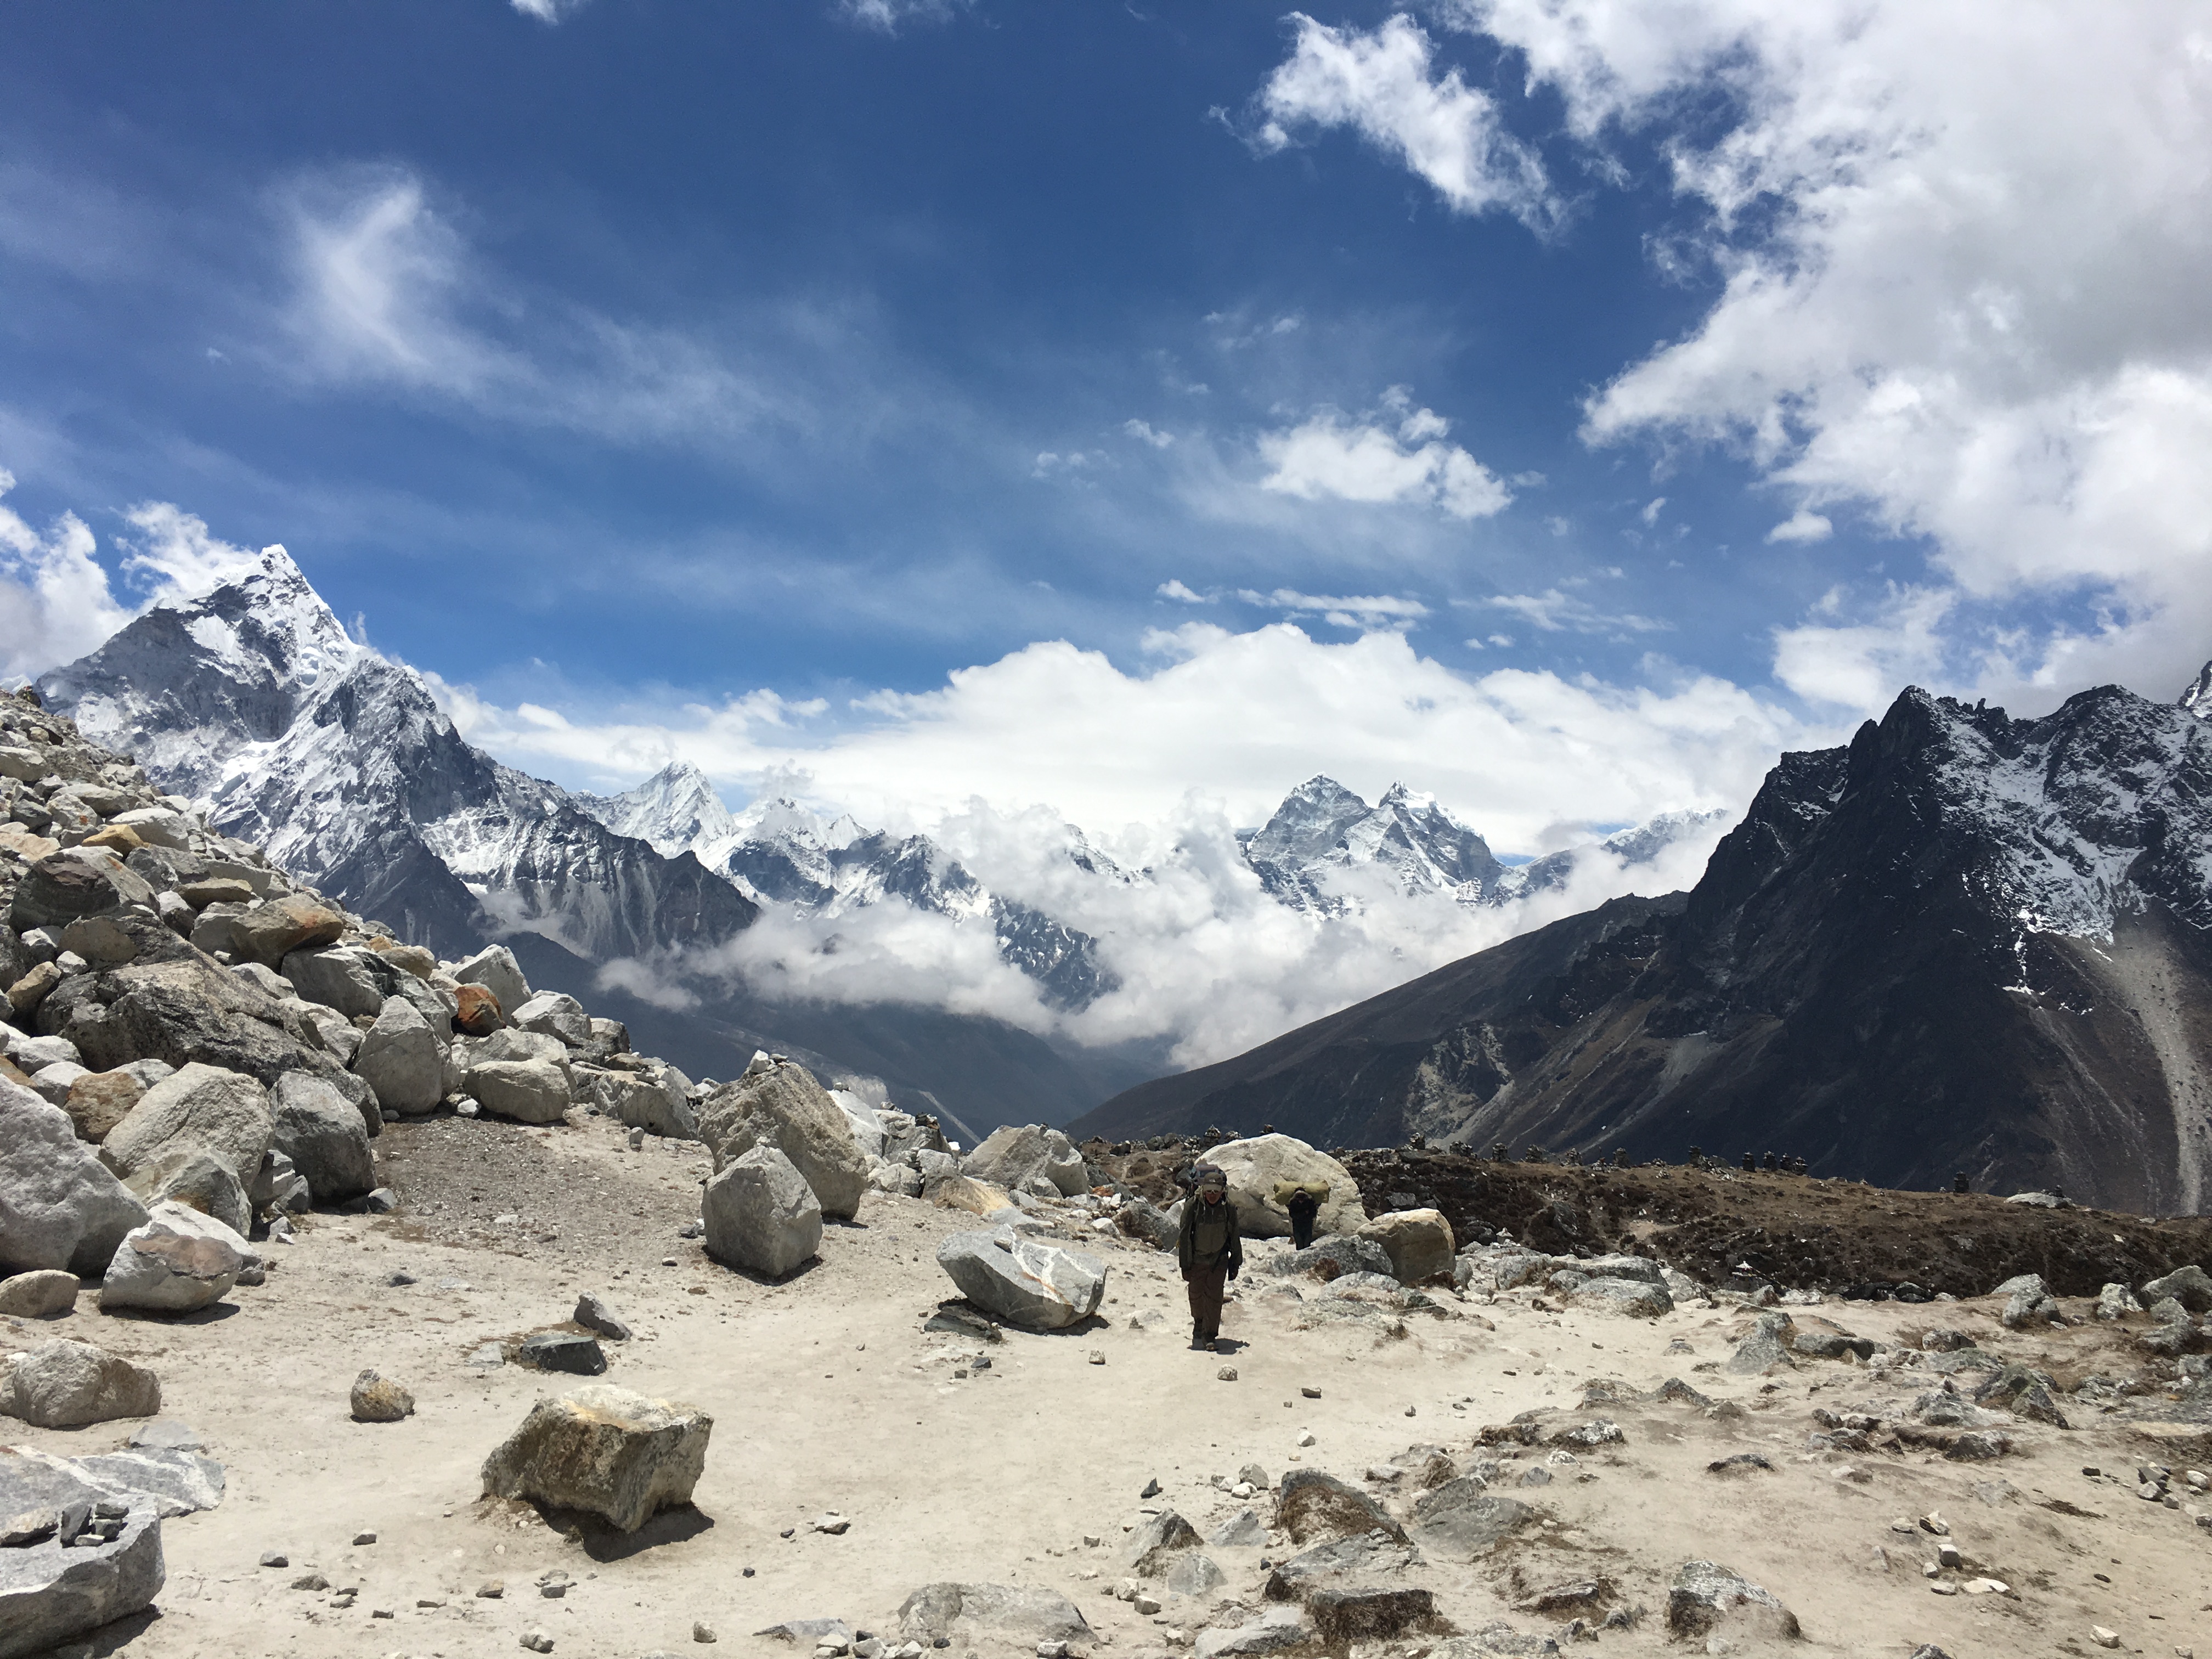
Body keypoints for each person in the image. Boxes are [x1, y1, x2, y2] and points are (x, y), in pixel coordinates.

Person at [1178, 1164, 1243, 1350]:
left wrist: (1235, 1263)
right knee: (1196, 1295)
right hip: (1197, 1259)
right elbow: (1184, 1235)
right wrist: (1185, 1264)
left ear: (1223, 1191)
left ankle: (1210, 1334)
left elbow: (1234, 1235)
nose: (1212, 1194)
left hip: (1218, 1259)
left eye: (1216, 1191)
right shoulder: (1193, 1206)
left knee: (1214, 1297)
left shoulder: (1228, 1208)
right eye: (1209, 1191)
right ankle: (1199, 1321)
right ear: (1203, 1190)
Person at [1273, 1178, 1327, 1250]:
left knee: (1307, 1245)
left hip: (1307, 1226)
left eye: (1302, 1197)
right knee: (1299, 1245)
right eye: (1299, 1198)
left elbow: (1313, 1213)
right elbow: (1292, 1214)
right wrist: (1305, 1213)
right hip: (1298, 1226)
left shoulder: (1310, 1202)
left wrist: (1302, 1215)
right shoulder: (1293, 1203)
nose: (1301, 1200)